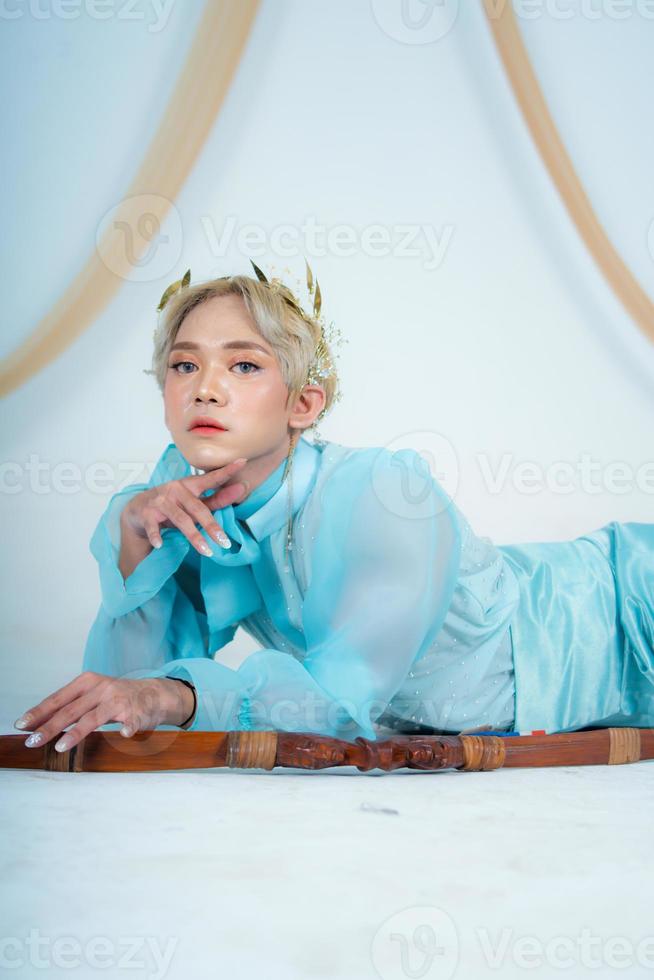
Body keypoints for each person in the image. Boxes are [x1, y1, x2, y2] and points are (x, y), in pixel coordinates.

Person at [14, 265, 654, 755]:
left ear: (303, 406)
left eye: (243, 364)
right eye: (185, 364)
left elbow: (338, 705)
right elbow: (124, 704)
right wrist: (133, 539)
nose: (205, 387)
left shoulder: (383, 494)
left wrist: (170, 694)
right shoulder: (179, 497)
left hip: (629, 606)